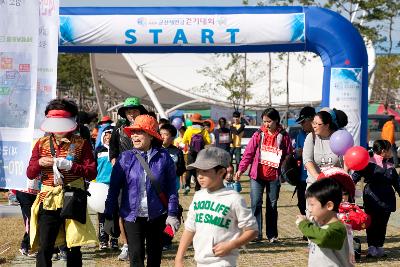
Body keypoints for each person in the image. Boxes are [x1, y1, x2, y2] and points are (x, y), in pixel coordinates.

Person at [26, 98, 97, 267]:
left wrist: (72, 166)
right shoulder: (40, 144)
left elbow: (92, 172)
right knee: (45, 246)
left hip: (73, 197)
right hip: (48, 198)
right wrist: (39, 163)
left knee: (74, 245)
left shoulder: (81, 144)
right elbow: (30, 173)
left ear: (72, 121)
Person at [104, 115, 180, 267]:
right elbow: (114, 189)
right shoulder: (125, 158)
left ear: (151, 136)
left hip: (157, 216)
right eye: (133, 132)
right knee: (136, 257)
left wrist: (172, 214)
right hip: (132, 216)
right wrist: (109, 214)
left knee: (154, 258)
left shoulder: (164, 157)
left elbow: (172, 188)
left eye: (139, 132)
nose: (134, 136)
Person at [175, 147, 258, 267]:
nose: (200, 176)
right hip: (200, 262)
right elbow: (189, 229)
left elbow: (252, 230)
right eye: (198, 171)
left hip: (223, 262)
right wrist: (179, 258)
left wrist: (231, 245)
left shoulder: (234, 198)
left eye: (205, 171)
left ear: (221, 172)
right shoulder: (198, 196)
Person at [235, 108, 293, 243]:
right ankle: (256, 234)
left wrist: (286, 170)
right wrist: (240, 169)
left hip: (274, 176)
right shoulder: (258, 134)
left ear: (276, 121)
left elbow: (288, 154)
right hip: (257, 176)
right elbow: (248, 153)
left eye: (269, 121)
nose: (266, 124)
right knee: (256, 203)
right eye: (264, 121)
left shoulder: (283, 135)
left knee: (272, 205)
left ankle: (272, 235)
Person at [108, 96, 147, 260]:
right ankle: (126, 245)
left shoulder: (148, 127)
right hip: (124, 173)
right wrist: (114, 160)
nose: (132, 113)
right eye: (129, 111)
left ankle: (141, 244)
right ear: (124, 113)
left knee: (144, 210)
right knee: (123, 210)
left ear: (140, 111)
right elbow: (113, 148)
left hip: (144, 174)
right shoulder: (119, 128)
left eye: (135, 110)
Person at [352, 139, 400, 258]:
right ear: (383, 151)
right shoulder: (368, 163)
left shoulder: (390, 165)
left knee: (382, 223)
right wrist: (347, 187)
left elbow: (397, 183)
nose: (391, 152)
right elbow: (355, 176)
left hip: (387, 198)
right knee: (371, 223)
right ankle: (372, 247)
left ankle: (379, 246)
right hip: (372, 197)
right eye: (389, 149)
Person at [296, 178, 354, 267]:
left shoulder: (338, 228)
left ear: (329, 206)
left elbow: (322, 237)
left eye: (312, 205)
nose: (310, 209)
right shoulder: (318, 224)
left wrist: (303, 224)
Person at [94, 125, 120, 250]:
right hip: (101, 185)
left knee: (115, 213)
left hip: (115, 185)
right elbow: (93, 168)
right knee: (102, 214)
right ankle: (103, 239)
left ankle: (114, 239)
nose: (108, 138)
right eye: (105, 136)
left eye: (110, 136)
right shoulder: (98, 150)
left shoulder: (118, 151)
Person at [303, 110, 342, 186]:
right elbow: (307, 160)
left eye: (318, 124)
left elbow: (345, 161)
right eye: (313, 123)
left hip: (334, 186)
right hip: (315, 185)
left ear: (327, 125)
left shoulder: (339, 137)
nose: (314, 126)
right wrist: (318, 177)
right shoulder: (311, 137)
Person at [182, 113, 211, 194]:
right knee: (199, 170)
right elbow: (209, 141)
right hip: (200, 153)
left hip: (191, 152)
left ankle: (187, 185)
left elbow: (184, 141)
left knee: (189, 169)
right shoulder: (203, 130)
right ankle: (197, 187)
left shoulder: (189, 129)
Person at [295, 106, 316, 216]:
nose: (301, 125)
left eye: (303, 122)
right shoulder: (300, 135)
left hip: (316, 177)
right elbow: (296, 153)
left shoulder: (321, 134)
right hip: (302, 177)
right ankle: (307, 230)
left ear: (312, 119)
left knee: (315, 205)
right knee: (302, 204)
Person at [174, 126, 188, 190]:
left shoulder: (187, 139)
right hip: (179, 155)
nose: (182, 134)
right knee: (180, 171)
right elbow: (175, 147)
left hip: (186, 155)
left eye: (183, 132)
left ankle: (184, 184)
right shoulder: (176, 140)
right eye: (181, 132)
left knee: (185, 171)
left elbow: (188, 147)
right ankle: (181, 183)